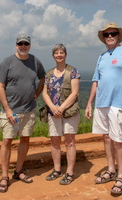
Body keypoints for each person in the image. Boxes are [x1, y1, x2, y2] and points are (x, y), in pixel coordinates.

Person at [85, 22, 122, 195]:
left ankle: (121, 176)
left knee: (118, 140)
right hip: (101, 103)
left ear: (118, 36)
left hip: (119, 103)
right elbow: (96, 81)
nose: (110, 36)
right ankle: (111, 170)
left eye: (113, 33)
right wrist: (89, 103)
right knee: (107, 138)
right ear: (103, 37)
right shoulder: (101, 56)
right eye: (107, 34)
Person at [0, 32, 45, 193]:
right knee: (7, 141)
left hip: (29, 109)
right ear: (16, 45)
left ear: (29, 45)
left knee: (25, 139)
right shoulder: (7, 62)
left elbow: (42, 78)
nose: (23, 46)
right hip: (11, 111)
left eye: (26, 44)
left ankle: (18, 171)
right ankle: (4, 176)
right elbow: (0, 86)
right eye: (20, 44)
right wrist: (8, 110)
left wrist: (37, 92)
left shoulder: (35, 61)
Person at [42, 44, 81, 185]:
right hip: (53, 112)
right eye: (56, 53)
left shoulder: (73, 71)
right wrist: (53, 107)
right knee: (55, 141)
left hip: (69, 112)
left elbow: (74, 92)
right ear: (53, 56)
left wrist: (61, 108)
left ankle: (70, 172)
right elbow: (44, 93)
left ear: (65, 54)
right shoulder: (49, 73)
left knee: (69, 141)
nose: (59, 55)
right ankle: (57, 169)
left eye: (61, 52)